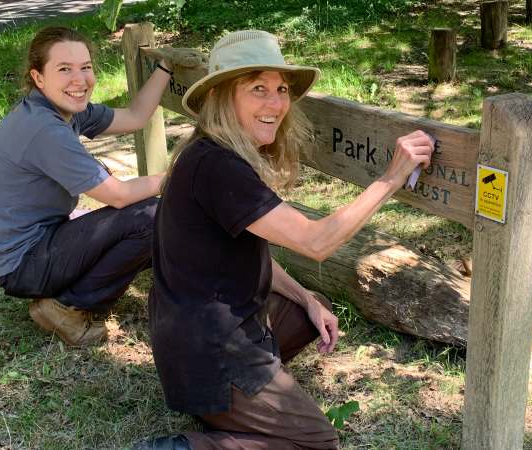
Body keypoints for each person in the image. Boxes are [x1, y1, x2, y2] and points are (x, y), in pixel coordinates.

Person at [137, 30, 435, 450]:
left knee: (313, 307)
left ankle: (237, 406)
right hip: (209, 350)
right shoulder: (219, 166)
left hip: (193, 336)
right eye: (257, 88)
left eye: (280, 89)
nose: (276, 104)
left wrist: (307, 298)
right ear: (222, 96)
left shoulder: (213, 153)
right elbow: (316, 242)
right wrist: (391, 177)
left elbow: (244, 253)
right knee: (317, 444)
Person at [0, 27, 175, 347]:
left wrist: (166, 67)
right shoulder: (44, 129)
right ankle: (69, 307)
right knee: (150, 218)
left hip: (35, 243)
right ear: (38, 77)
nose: (79, 79)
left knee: (153, 223)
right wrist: (183, 175)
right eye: (64, 69)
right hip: (23, 264)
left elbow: (135, 116)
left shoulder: (64, 110)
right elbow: (120, 194)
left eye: (85, 67)